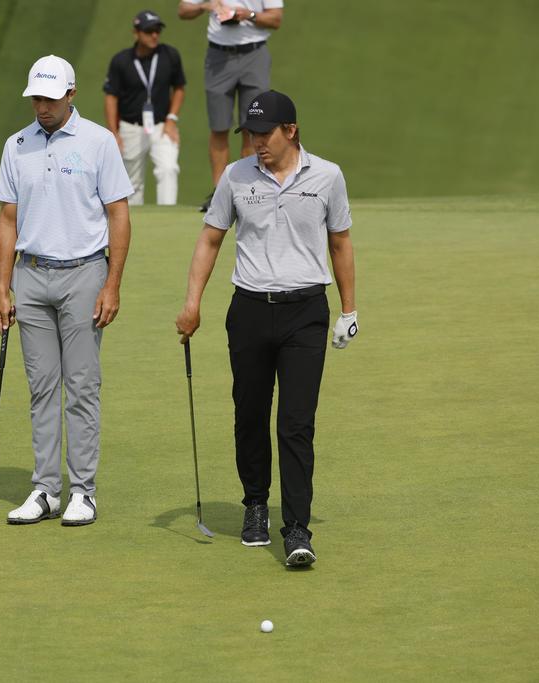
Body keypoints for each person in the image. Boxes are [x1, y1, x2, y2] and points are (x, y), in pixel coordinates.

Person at [174, 90, 357, 567]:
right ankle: (255, 503)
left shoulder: (328, 176)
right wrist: (192, 303)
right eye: (251, 134)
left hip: (306, 312)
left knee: (296, 424)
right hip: (250, 310)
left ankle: (297, 528)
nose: (256, 142)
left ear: (290, 130)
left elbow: (340, 242)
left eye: (264, 133)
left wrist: (349, 310)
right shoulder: (235, 177)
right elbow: (210, 239)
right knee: (250, 414)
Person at [0, 55, 133, 527]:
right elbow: (8, 220)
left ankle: (83, 492)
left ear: (71, 94)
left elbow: (118, 214)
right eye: (37, 98)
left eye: (51, 98)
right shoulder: (17, 145)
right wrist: (2, 288)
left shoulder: (98, 141)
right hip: (31, 276)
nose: (42, 106)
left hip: (85, 273)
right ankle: (46, 490)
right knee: (42, 388)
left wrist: (112, 283)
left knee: (82, 387)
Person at [177, 0, 283, 211]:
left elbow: (276, 18)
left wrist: (248, 15)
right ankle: (220, 193)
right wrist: (204, 7)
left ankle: (251, 191)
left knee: (254, 126)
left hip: (254, 54)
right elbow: (183, 10)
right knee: (219, 126)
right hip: (218, 56)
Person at [103, 10, 186, 205]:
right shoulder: (121, 60)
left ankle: (168, 218)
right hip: (130, 128)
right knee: (132, 182)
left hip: (161, 126)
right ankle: (136, 222)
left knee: (168, 169)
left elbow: (179, 88)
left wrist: (172, 120)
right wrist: (114, 132)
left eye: (157, 30)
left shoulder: (170, 55)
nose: (154, 35)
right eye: (149, 31)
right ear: (136, 32)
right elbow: (111, 97)